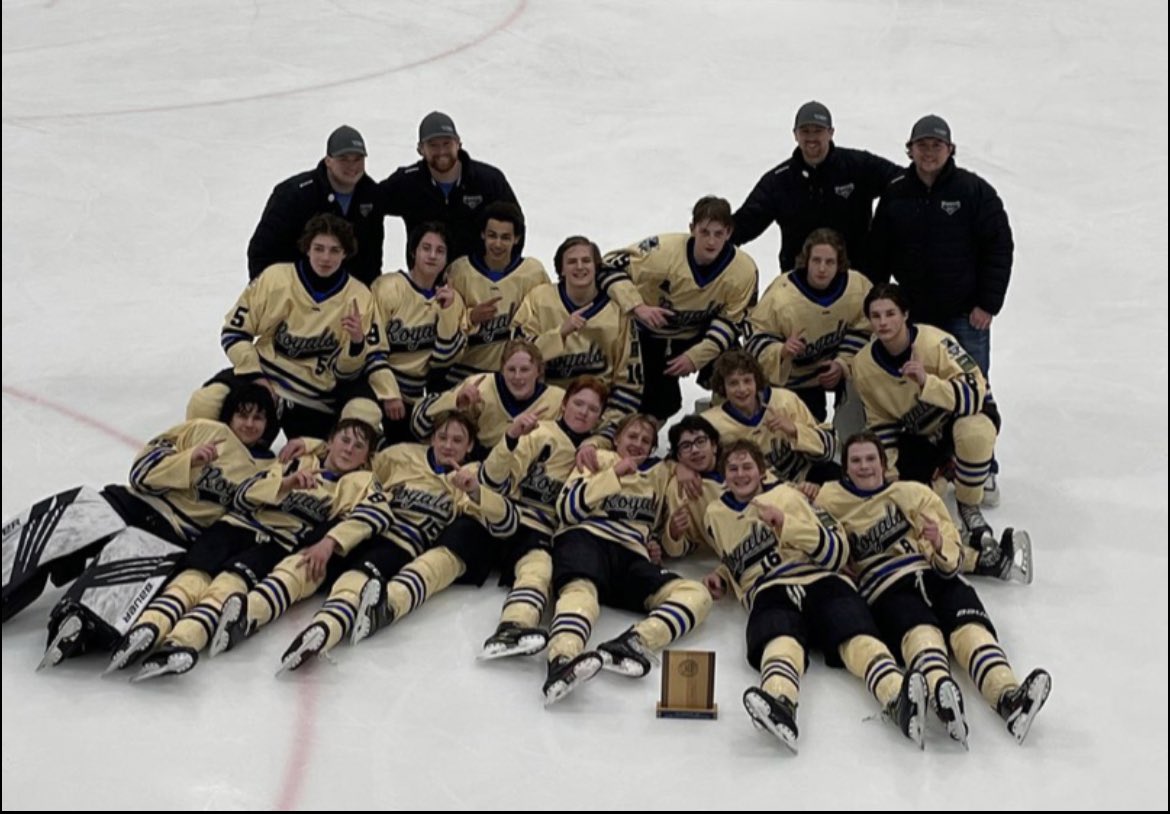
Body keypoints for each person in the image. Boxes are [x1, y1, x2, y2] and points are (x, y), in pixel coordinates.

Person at [1, 384, 278, 669]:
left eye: (258, 417)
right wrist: (187, 460)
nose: (249, 424)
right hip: (132, 502)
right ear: (230, 415)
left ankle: (81, 622)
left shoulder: (269, 471)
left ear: (268, 424)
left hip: (172, 533)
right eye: (242, 415)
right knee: (71, 515)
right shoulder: (203, 430)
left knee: (130, 561)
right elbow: (140, 471)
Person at [111, 403, 383, 679]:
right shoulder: (295, 462)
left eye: (358, 446)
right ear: (330, 442)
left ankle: (181, 641)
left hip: (276, 543)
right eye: (345, 440)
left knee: (227, 585)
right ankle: (149, 627)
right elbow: (243, 496)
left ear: (367, 457)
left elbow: (375, 515)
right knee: (193, 576)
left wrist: (330, 542)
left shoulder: (362, 483)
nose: (349, 449)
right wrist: (285, 484)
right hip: (234, 526)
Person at [816, 433, 1051, 745]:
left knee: (972, 631)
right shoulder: (830, 499)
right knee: (922, 634)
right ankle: (942, 695)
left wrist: (940, 543)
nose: (864, 466)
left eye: (870, 459)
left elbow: (950, 551)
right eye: (855, 461)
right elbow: (816, 538)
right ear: (845, 468)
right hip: (886, 587)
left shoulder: (914, 493)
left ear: (884, 464)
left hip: (933, 573)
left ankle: (1008, 697)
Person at [703, 439, 928, 752]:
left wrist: (787, 525)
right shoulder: (714, 514)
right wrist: (722, 577)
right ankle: (780, 701)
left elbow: (836, 552)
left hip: (820, 579)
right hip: (769, 589)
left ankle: (895, 694)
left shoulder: (789, 495)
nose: (740, 474)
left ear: (762, 470)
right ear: (724, 475)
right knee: (778, 640)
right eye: (733, 468)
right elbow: (735, 559)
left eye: (747, 467)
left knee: (855, 633)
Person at [270, 411, 518, 671]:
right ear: (432, 438)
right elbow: (356, 454)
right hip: (366, 527)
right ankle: (256, 609)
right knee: (310, 562)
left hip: (400, 544)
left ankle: (326, 627)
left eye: (457, 440)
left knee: (359, 576)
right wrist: (312, 445)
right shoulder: (401, 455)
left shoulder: (473, 474)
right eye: (442, 437)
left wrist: (475, 491)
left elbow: (506, 523)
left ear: (470, 446)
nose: (448, 445)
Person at [869, 115, 1014, 503]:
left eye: (937, 145)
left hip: (965, 315)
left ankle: (982, 466)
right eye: (922, 145)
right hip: (913, 315)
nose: (929, 152)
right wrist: (878, 304)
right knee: (918, 388)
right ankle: (935, 461)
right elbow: (878, 252)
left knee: (973, 388)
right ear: (910, 150)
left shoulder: (973, 190)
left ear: (950, 150)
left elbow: (999, 246)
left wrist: (988, 303)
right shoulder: (896, 193)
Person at [850, 285, 1032, 583]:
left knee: (973, 433)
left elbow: (976, 393)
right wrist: (890, 479)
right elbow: (881, 424)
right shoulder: (863, 366)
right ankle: (974, 556)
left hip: (962, 417)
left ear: (905, 315)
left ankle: (969, 503)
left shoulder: (935, 342)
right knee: (909, 508)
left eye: (890, 314)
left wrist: (927, 383)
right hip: (921, 437)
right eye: (876, 316)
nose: (883, 322)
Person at [543, 414, 713, 705]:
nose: (638, 444)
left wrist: (669, 531)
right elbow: (568, 510)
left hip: (632, 556)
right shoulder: (597, 458)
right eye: (632, 437)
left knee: (697, 594)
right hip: (588, 538)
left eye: (646, 440)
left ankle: (633, 642)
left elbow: (669, 542)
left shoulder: (661, 473)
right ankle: (563, 659)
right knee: (581, 591)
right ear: (616, 439)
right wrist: (613, 475)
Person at [193, 214, 395, 441]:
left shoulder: (360, 297)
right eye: (319, 248)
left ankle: (328, 457)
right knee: (205, 401)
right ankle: (199, 457)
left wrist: (357, 343)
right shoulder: (275, 278)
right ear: (307, 248)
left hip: (318, 394)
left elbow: (349, 372)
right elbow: (234, 332)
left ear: (345, 253)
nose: (325, 258)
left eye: (334, 250)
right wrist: (255, 375)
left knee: (365, 413)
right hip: (264, 378)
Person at [468, 376, 609, 659]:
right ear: (564, 404)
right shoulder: (540, 434)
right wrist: (510, 437)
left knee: (550, 571)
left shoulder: (600, 455)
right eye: (578, 403)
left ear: (599, 418)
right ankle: (512, 627)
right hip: (513, 524)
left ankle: (544, 639)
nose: (583, 412)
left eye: (592, 409)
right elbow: (494, 480)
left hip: (549, 534)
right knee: (539, 568)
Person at [600, 196, 758, 422]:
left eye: (718, 234)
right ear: (692, 229)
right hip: (648, 334)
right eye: (704, 232)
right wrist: (637, 306)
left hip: (699, 334)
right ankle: (641, 431)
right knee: (658, 403)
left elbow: (733, 322)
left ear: (729, 232)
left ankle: (726, 424)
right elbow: (606, 266)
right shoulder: (660, 252)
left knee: (735, 365)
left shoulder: (743, 271)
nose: (711, 241)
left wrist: (696, 356)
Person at [732, 101, 899, 277]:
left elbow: (903, 183)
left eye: (818, 131)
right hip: (799, 283)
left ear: (831, 133)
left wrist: (884, 235)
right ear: (795, 135)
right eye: (805, 131)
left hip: (855, 280)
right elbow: (744, 223)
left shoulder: (858, 166)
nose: (811, 138)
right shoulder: (779, 181)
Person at [513, 236, 644, 442]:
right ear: (561, 269)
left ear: (596, 266)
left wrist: (604, 433)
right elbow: (515, 356)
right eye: (572, 262)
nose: (580, 267)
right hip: (545, 416)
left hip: (597, 418)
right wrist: (560, 334)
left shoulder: (617, 309)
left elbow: (629, 381)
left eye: (586, 261)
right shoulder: (539, 299)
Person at [744, 228, 872, 421]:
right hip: (790, 383)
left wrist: (842, 364)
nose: (822, 268)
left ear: (840, 263)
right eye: (816, 260)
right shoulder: (781, 295)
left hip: (831, 373)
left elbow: (867, 330)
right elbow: (753, 340)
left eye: (829, 262)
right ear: (806, 261)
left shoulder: (857, 288)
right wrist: (780, 351)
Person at [367, 221, 467, 443]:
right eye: (426, 248)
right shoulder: (388, 288)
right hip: (378, 390)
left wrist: (447, 313)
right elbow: (371, 347)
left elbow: (444, 359)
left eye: (440, 251)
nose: (432, 256)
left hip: (416, 398)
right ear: (413, 251)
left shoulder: (451, 300)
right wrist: (389, 393)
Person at [247, 125, 385, 286]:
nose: (352, 166)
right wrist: (272, 292)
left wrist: (364, 293)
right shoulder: (294, 194)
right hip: (294, 290)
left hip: (345, 294)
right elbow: (262, 252)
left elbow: (371, 258)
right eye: (343, 159)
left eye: (358, 159)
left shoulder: (372, 195)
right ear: (328, 161)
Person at [380, 111, 519, 262]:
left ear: (458, 144)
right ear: (420, 149)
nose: (441, 151)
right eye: (433, 145)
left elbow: (516, 224)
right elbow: (370, 203)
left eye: (447, 144)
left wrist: (501, 268)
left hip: (476, 274)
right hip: (427, 275)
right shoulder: (407, 182)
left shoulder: (488, 181)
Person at [440, 202, 550, 389]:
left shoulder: (533, 273)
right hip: (464, 376)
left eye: (505, 237)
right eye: (492, 235)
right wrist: (471, 317)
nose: (498, 244)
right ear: (482, 234)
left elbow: (545, 325)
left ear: (517, 239)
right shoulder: (459, 271)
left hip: (514, 378)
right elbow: (444, 328)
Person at [701, 350, 839, 489]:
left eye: (747, 381)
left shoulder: (785, 401)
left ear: (757, 381)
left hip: (803, 479)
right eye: (733, 383)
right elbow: (694, 460)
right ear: (722, 387)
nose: (742, 389)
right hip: (751, 490)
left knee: (836, 478)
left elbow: (827, 450)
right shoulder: (711, 422)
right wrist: (688, 471)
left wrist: (795, 430)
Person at [411, 339, 565, 453]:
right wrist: (455, 401)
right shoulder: (479, 387)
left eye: (525, 370)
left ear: (539, 371)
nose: (517, 377)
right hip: (477, 465)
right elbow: (419, 428)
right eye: (511, 369)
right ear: (502, 369)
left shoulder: (557, 399)